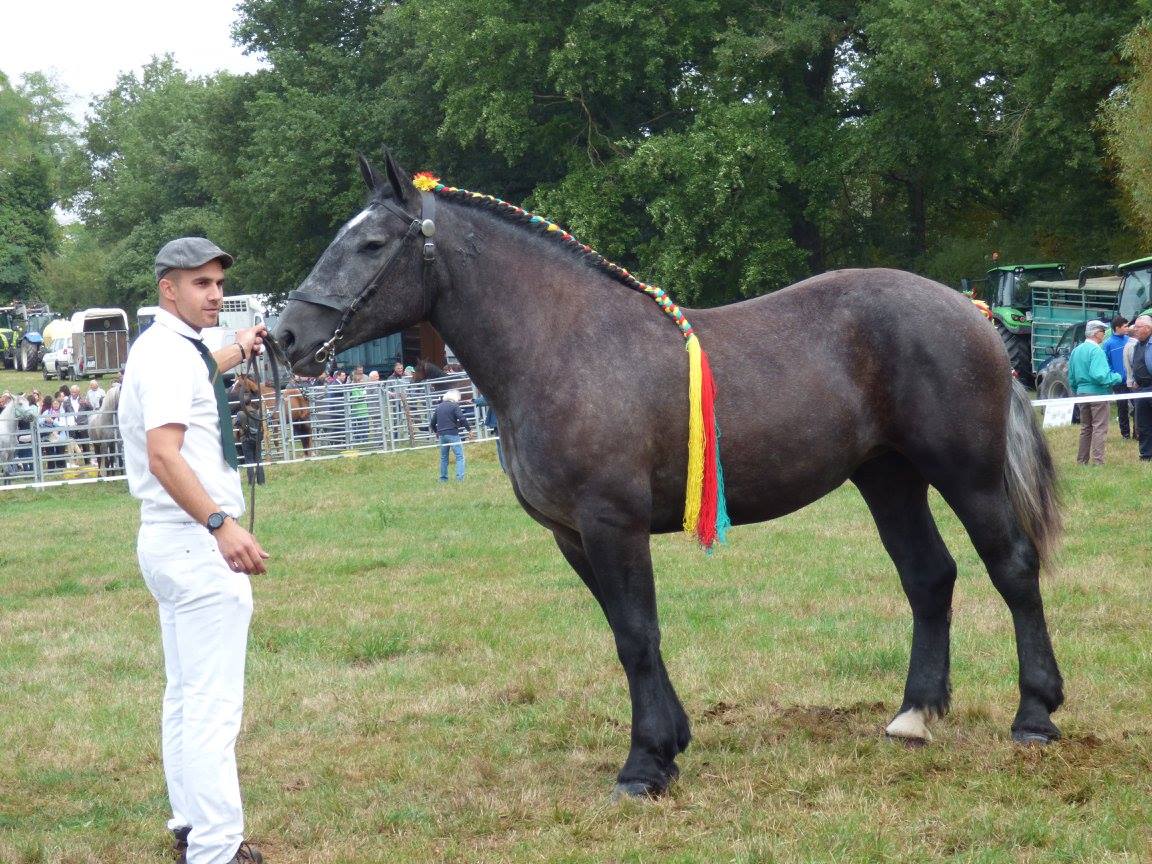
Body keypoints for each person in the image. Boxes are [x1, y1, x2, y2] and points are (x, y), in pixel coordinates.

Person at [118, 237, 268, 864]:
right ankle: (215, 849)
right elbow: (163, 454)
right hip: (193, 540)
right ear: (168, 289)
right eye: (200, 283)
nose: (215, 294)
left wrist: (243, 346)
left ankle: (189, 826)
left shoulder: (167, 348)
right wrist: (219, 524)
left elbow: (207, 363)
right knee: (212, 707)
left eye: (218, 283)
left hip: (165, 540)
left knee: (184, 695)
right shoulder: (171, 358)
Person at [1068, 319, 1122, 466]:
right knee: (1099, 427)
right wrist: (1117, 377)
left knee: (1086, 427)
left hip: (1081, 393)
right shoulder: (1096, 350)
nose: (1104, 334)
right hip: (1097, 393)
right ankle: (1098, 461)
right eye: (1103, 331)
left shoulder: (1076, 351)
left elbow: (1071, 377)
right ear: (1096, 333)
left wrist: (1078, 390)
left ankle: (1082, 461)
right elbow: (1100, 376)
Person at [1124, 314, 1152, 461]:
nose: (1135, 330)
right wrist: (1134, 379)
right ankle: (1146, 455)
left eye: (1138, 327)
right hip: (1141, 389)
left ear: (1148, 328)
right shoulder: (1136, 344)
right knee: (1143, 424)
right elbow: (1135, 363)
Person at [1103, 315, 1133, 440]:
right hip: (1118, 382)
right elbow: (1106, 362)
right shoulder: (1108, 344)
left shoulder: (1129, 340)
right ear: (1117, 327)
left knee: (1138, 406)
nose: (1127, 328)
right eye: (1125, 326)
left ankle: (1138, 432)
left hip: (1132, 380)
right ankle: (1125, 434)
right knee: (1122, 408)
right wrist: (1113, 376)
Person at [430, 388, 470, 481]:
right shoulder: (454, 406)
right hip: (452, 434)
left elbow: (432, 423)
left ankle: (443, 478)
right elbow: (462, 419)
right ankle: (460, 478)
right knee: (460, 456)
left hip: (442, 435)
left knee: (444, 458)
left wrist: (436, 432)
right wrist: (469, 430)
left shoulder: (439, 407)